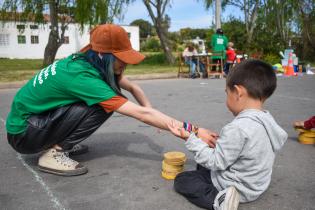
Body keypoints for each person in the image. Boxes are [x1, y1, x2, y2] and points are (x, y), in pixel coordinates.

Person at [6, 24, 217, 176]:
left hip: (34, 122)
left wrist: (151, 109)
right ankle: (54, 153)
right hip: (24, 134)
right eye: (122, 59)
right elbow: (141, 115)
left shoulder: (87, 60)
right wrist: (195, 131)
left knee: (109, 96)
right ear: (103, 55)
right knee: (103, 106)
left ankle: (57, 141)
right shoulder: (82, 76)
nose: (126, 64)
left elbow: (133, 87)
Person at [168, 60, 288, 210]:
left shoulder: (237, 128)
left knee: (183, 180)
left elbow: (215, 162)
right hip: (256, 185)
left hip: (237, 189)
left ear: (238, 92)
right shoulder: (267, 120)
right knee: (202, 163)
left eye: (227, 93)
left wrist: (189, 138)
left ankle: (220, 201)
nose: (227, 98)